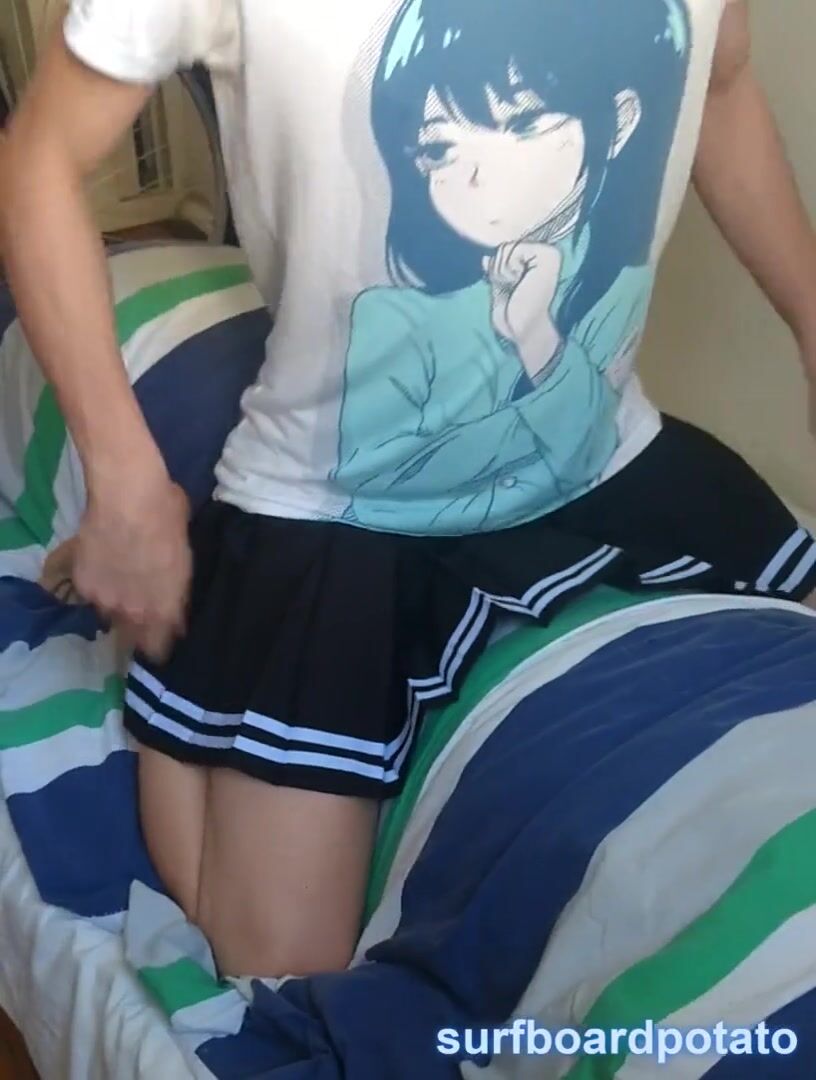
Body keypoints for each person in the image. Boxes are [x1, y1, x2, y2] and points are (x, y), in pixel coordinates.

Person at [2, 0, 816, 980]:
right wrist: (126, 484)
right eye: (439, 146)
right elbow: (37, 159)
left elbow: (721, 84)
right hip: (332, 504)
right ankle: (182, 654)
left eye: (519, 127)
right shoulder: (405, 317)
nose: (470, 176)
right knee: (279, 961)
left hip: (603, 452)